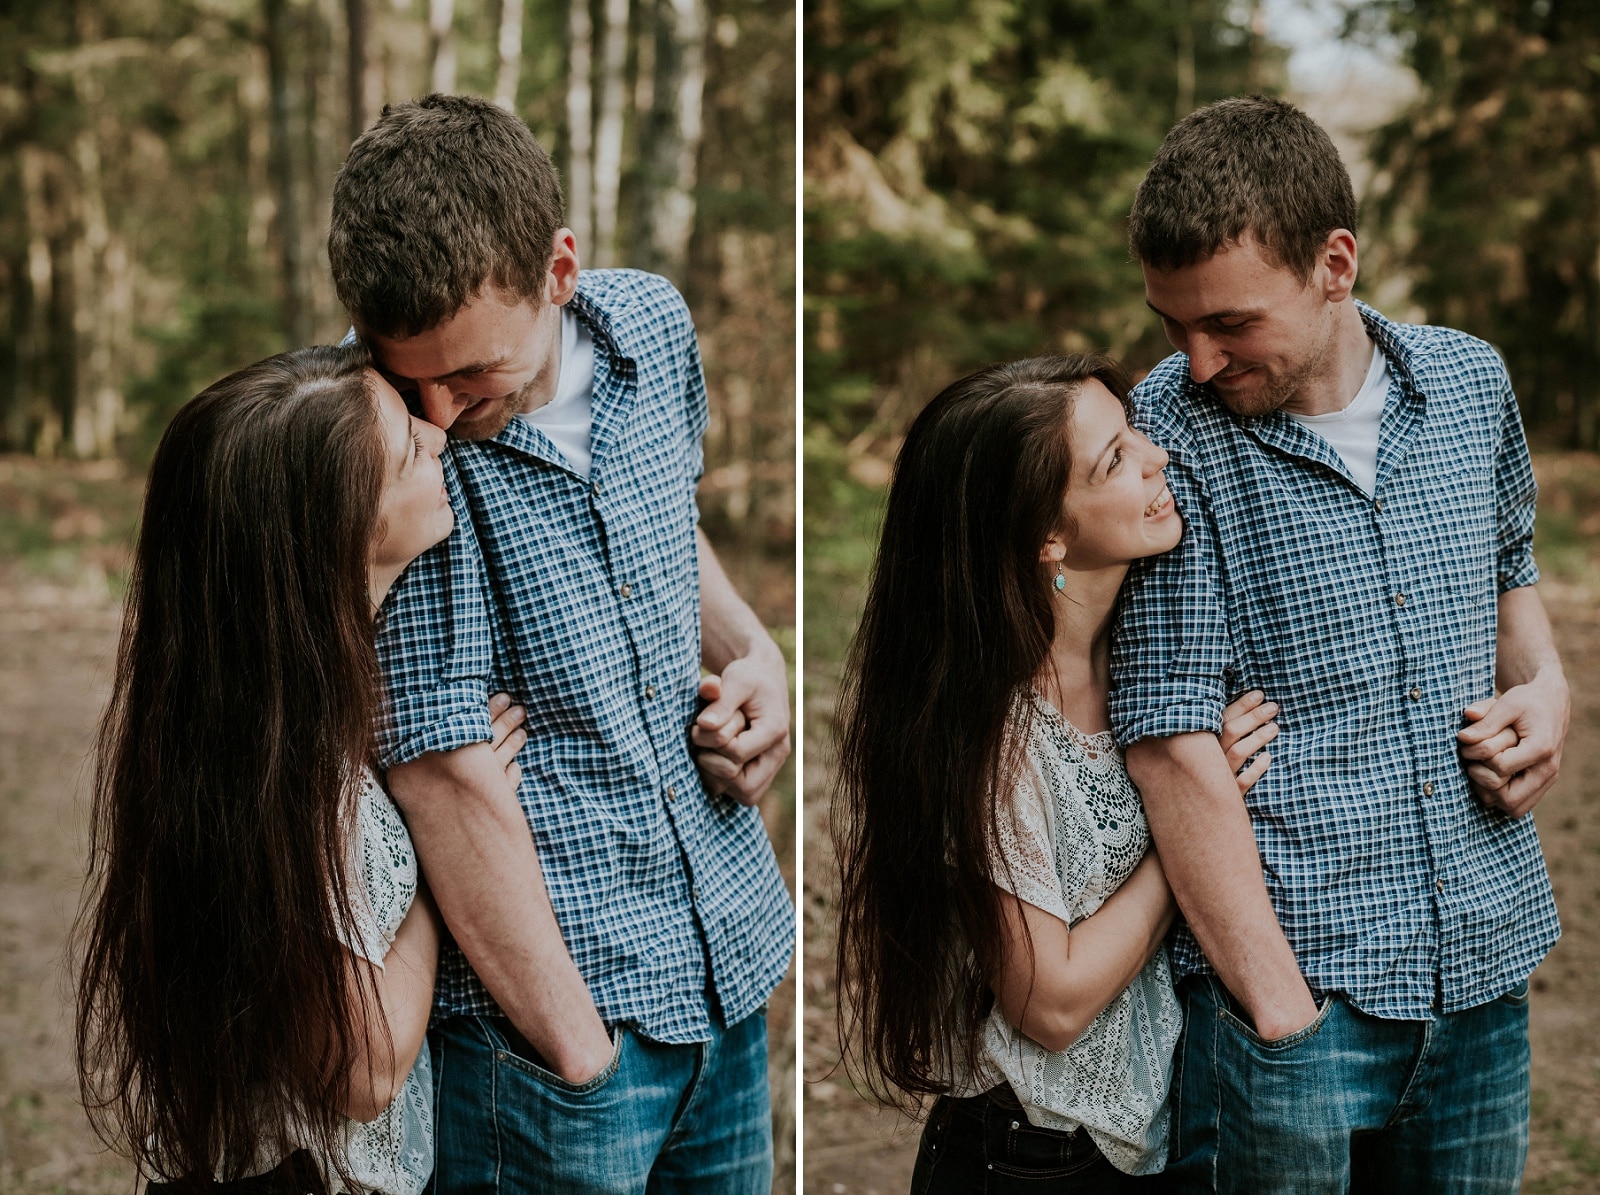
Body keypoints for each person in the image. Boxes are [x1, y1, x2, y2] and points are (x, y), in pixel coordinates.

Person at [325, 95, 794, 1193]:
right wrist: (575, 1052)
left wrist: (751, 651)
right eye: (414, 376)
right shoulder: (384, 450)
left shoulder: (652, 327)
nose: (440, 408)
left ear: (560, 271)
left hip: (725, 966)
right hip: (545, 1038)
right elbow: (440, 768)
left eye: (472, 374)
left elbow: (666, 524)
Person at [1112, 95, 1569, 1193]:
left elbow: (1511, 586)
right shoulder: (1164, 432)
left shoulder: (1468, 386)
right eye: (1173, 325)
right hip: (1288, 1003)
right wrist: (1279, 1017)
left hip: (1480, 980)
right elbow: (1169, 741)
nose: (1200, 358)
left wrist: (1547, 696)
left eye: (1230, 324)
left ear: (1335, 263)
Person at [74, 345, 528, 1193]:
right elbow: (367, 1070)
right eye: (405, 449)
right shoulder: (293, 776)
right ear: (343, 532)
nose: (437, 437)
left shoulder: (258, 715)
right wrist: (445, 840)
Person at [831, 354, 1281, 1192]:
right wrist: (1198, 811)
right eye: (1115, 459)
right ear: (1047, 535)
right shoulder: (993, 734)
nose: (1158, 457)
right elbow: (1054, 1002)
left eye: (1134, 433)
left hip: (1161, 1142)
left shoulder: (1149, 656)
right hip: (1028, 1164)